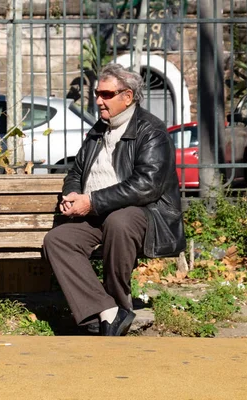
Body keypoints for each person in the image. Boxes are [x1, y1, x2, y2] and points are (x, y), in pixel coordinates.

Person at [43, 63, 186, 336]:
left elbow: (147, 186)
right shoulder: (98, 129)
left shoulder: (151, 131)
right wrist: (72, 193)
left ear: (128, 97)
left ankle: (118, 304)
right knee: (57, 240)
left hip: (145, 213)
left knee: (119, 222)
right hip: (97, 212)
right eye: (97, 93)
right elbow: (76, 171)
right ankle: (108, 311)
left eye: (106, 94)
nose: (98, 100)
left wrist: (93, 201)